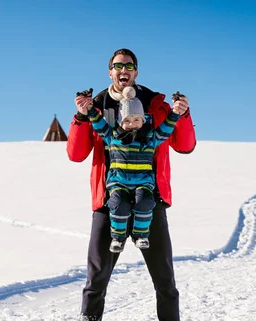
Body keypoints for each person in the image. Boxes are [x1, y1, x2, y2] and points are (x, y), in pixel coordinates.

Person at [66, 48, 197, 321]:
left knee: (164, 278)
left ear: (136, 71)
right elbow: (76, 153)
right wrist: (82, 116)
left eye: (129, 66)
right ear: (109, 71)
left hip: (149, 199)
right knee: (96, 279)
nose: (123, 70)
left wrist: (184, 113)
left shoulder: (157, 105)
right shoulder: (95, 106)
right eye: (117, 66)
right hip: (108, 199)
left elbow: (184, 145)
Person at [79, 86, 186, 253]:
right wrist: (91, 110)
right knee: (117, 203)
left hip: (143, 182)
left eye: (136, 119)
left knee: (145, 202)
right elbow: (99, 124)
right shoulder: (113, 137)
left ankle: (140, 235)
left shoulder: (150, 139)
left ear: (143, 120)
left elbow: (166, 129)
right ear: (121, 122)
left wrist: (175, 114)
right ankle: (118, 238)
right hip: (118, 183)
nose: (132, 124)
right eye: (127, 120)